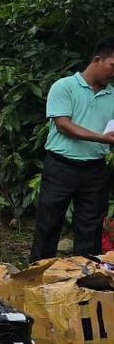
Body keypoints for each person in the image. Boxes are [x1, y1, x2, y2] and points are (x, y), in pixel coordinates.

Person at [30, 37, 114, 261]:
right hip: (61, 166)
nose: (113, 73)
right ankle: (37, 275)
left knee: (90, 227)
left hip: (95, 169)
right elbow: (63, 125)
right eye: (112, 66)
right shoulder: (64, 86)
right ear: (97, 60)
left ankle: (84, 280)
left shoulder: (112, 95)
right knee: (49, 223)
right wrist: (103, 139)